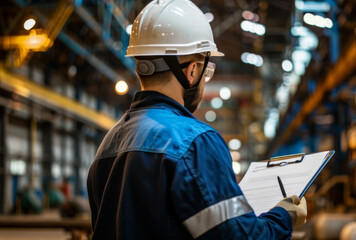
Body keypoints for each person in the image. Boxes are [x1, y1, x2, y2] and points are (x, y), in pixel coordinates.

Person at [86, 0, 307, 239]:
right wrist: (283, 217)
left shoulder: (108, 145)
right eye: (206, 72)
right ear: (192, 71)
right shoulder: (194, 142)